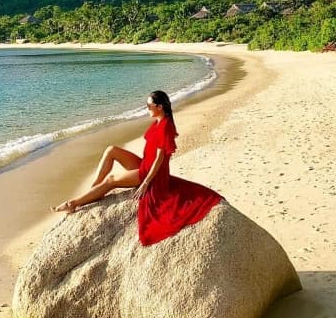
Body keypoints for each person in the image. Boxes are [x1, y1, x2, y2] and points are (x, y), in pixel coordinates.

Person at [53, 90, 221, 245]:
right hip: (144, 163)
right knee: (111, 150)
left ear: (159, 107)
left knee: (111, 180)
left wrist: (146, 183)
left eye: (149, 106)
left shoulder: (165, 126)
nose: (146, 108)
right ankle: (94, 191)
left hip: (150, 173)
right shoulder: (159, 120)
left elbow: (159, 159)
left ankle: (73, 203)